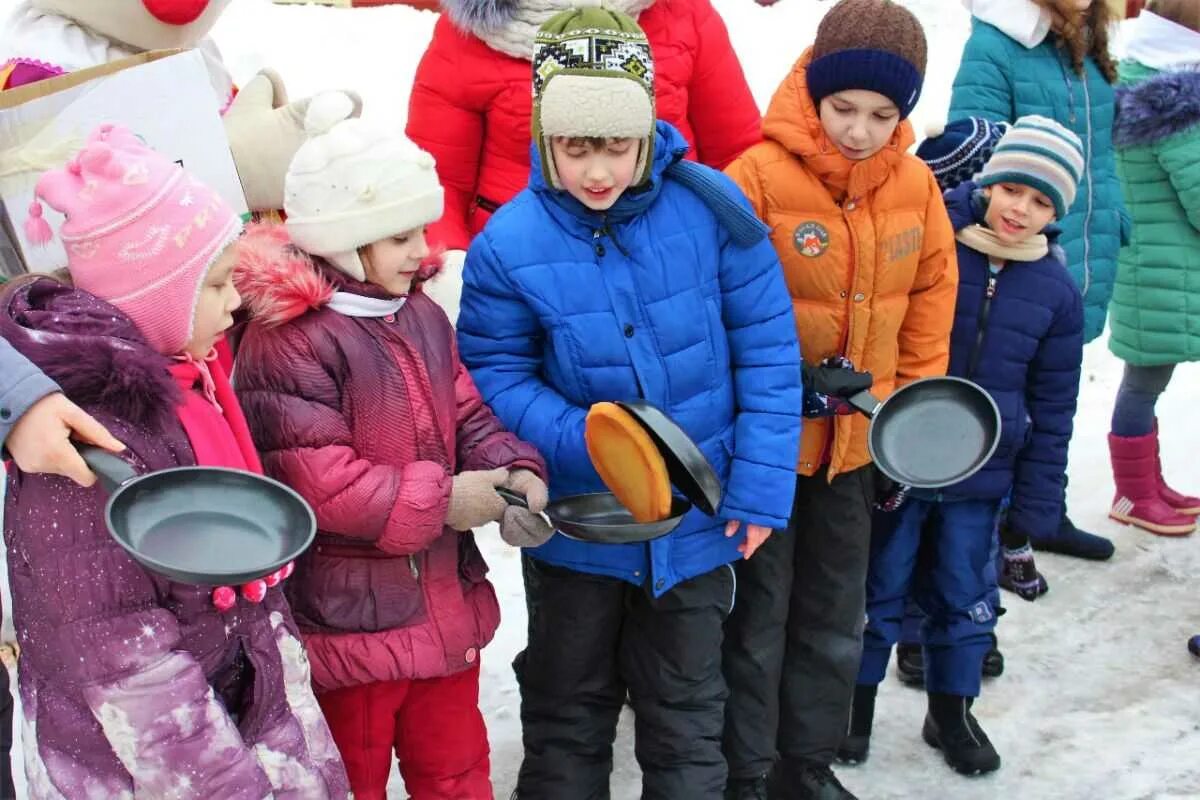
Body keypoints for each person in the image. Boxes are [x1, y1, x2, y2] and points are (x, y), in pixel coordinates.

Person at [456, 8, 803, 798]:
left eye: (616, 145)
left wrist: (757, 487)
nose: (597, 170)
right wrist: (589, 439)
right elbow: (494, 375)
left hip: (697, 519)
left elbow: (770, 356)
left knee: (686, 711)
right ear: (546, 140)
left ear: (649, 131)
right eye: (575, 148)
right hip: (581, 524)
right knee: (568, 704)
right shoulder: (511, 243)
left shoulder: (710, 212)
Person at [0, 123, 349, 798]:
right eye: (216, 284)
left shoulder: (192, 381)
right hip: (142, 767)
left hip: (236, 704)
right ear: (152, 295)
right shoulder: (86, 446)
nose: (236, 301)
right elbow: (124, 660)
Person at [233, 94, 550, 800]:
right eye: (401, 235)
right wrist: (447, 501)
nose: (422, 250)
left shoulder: (419, 314)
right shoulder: (289, 342)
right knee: (355, 780)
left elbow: (465, 411)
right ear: (349, 240)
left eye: (423, 229)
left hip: (439, 606)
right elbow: (323, 484)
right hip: (353, 627)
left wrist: (513, 471)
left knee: (458, 771)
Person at [719, 2, 958, 797]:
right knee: (757, 619)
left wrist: (907, 424)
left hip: (854, 456)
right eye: (844, 108)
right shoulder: (752, 178)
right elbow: (716, 313)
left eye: (882, 114)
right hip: (767, 456)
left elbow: (928, 306)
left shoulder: (917, 187)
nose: (859, 130)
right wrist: (784, 389)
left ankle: (805, 763)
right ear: (813, 92)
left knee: (831, 617)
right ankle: (746, 769)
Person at [840, 116, 1086, 778]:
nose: (1020, 210)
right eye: (1013, 190)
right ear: (988, 181)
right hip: (904, 459)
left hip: (983, 478)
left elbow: (1055, 405)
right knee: (877, 586)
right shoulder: (935, 241)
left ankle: (950, 710)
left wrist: (1038, 499)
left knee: (963, 592)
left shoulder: (1057, 293)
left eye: (1040, 202)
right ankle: (852, 706)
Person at [407, 0, 761, 321]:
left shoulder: (686, 16)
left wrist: (732, 264)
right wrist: (453, 272)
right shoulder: (465, 37)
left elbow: (738, 158)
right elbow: (435, 183)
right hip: (524, 281)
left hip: (669, 271)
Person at [949, 0, 1126, 561]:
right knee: (1006, 395)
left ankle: (1041, 511)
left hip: (1083, 244)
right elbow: (974, 156)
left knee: (1053, 392)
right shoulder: (998, 44)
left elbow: (1101, 153)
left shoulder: (1085, 41)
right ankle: (994, 537)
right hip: (1019, 257)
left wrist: (1115, 216)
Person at [1105, 0, 1200, 537]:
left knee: (1145, 380)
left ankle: (1146, 485)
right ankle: (1133, 493)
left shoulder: (1143, 75)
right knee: (1144, 381)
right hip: (1168, 269)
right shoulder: (1178, 100)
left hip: (1154, 261)